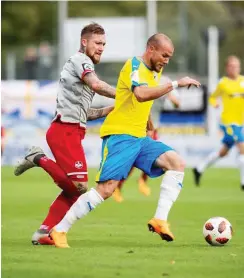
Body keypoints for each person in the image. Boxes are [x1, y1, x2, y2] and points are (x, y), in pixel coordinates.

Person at [50, 33, 201, 248]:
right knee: (106, 189)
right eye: (164, 55)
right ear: (151, 49)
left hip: (140, 137)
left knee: (176, 163)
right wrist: (175, 84)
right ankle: (59, 230)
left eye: (169, 57)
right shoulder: (134, 65)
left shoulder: (156, 70)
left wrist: (149, 125)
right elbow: (139, 94)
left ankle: (159, 220)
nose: (166, 60)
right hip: (120, 135)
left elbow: (142, 103)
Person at [14, 23, 116, 245]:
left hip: (71, 130)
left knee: (74, 191)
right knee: (79, 186)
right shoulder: (81, 61)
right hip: (64, 131)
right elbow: (97, 85)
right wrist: (124, 95)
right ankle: (38, 158)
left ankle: (43, 232)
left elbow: (85, 113)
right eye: (98, 43)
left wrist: (111, 110)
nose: (101, 48)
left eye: (104, 44)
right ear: (84, 42)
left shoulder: (83, 67)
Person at [112, 89, 180, 203]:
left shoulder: (165, 82)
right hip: (141, 127)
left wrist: (169, 94)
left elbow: (177, 104)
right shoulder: (144, 81)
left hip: (153, 128)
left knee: (156, 156)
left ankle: (142, 181)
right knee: (133, 161)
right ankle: (118, 186)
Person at [193, 56, 244, 190]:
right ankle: (243, 182)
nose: (234, 68)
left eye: (236, 66)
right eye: (232, 66)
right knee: (242, 147)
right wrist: (215, 103)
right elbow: (212, 97)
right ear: (227, 68)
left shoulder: (243, 81)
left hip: (240, 122)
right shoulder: (223, 83)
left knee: (224, 152)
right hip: (228, 122)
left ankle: (199, 168)